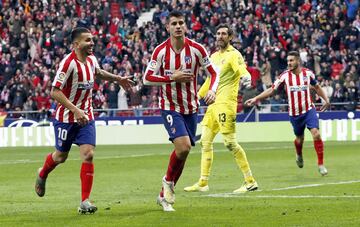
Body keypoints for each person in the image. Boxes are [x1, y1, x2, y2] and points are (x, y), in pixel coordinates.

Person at [34, 27, 133, 214]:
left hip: (86, 116)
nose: (92, 43)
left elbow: (99, 73)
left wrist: (118, 79)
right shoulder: (68, 63)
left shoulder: (92, 59)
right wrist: (75, 109)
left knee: (88, 154)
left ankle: (84, 201)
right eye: (88, 40)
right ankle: (42, 173)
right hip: (66, 117)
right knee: (60, 157)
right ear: (76, 44)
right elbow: (54, 91)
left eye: (92, 40)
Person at [143, 10, 219, 212]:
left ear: (185, 26)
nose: (178, 26)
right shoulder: (160, 51)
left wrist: (212, 90)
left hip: (191, 107)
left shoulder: (197, 49)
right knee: (184, 147)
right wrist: (171, 78)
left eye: (181, 23)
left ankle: (163, 195)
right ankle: (168, 182)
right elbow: (147, 78)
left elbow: (214, 72)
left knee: (183, 153)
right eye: (174, 23)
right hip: (169, 106)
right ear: (167, 27)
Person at [184, 24, 258, 194]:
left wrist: (246, 78)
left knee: (230, 143)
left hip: (226, 104)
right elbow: (210, 80)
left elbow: (242, 70)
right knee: (205, 142)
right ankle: (203, 182)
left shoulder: (234, 54)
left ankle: (250, 181)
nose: (220, 36)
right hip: (212, 106)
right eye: (218, 33)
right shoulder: (213, 56)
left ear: (230, 37)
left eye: (224, 34)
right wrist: (197, 95)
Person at [245, 51, 330, 176]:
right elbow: (272, 90)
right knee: (299, 139)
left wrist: (326, 99)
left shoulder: (308, 74)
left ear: (298, 61)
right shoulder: (284, 76)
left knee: (316, 134)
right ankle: (299, 154)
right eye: (288, 61)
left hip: (309, 110)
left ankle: (321, 164)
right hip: (294, 113)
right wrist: (256, 98)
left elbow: (317, 87)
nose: (289, 63)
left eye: (291, 60)